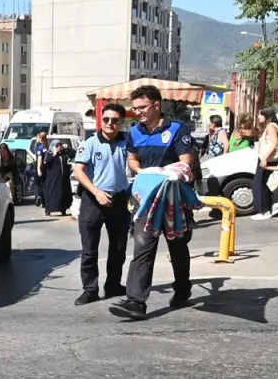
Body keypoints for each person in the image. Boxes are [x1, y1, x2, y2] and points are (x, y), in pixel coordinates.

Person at [108, 85, 197, 320]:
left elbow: (186, 162)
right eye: (134, 108)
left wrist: (163, 173)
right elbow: (132, 161)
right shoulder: (135, 132)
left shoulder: (177, 129)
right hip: (146, 199)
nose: (137, 112)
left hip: (173, 199)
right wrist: (145, 173)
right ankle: (136, 301)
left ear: (157, 105)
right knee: (142, 248)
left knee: (177, 247)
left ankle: (182, 287)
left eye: (142, 107)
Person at [72, 104, 132, 305]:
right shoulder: (90, 143)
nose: (109, 123)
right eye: (106, 119)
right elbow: (78, 171)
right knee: (90, 249)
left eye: (114, 120)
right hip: (93, 200)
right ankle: (90, 289)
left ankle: (113, 284)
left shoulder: (127, 143)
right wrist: (96, 192)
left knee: (118, 248)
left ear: (121, 122)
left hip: (119, 200)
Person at [252, 107, 278, 220]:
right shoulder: (272, 126)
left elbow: (275, 143)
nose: (258, 117)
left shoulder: (270, 126)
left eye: (261, 115)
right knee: (261, 183)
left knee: (258, 183)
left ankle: (264, 211)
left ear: (267, 115)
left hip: (267, 158)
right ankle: (269, 207)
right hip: (267, 158)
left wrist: (265, 158)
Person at [38, 136, 73, 216]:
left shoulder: (63, 154)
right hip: (53, 179)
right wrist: (54, 154)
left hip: (63, 179)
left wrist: (68, 148)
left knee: (62, 194)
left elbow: (73, 155)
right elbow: (46, 162)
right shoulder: (49, 154)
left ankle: (62, 209)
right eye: (57, 146)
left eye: (60, 145)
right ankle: (49, 210)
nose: (59, 147)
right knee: (52, 194)